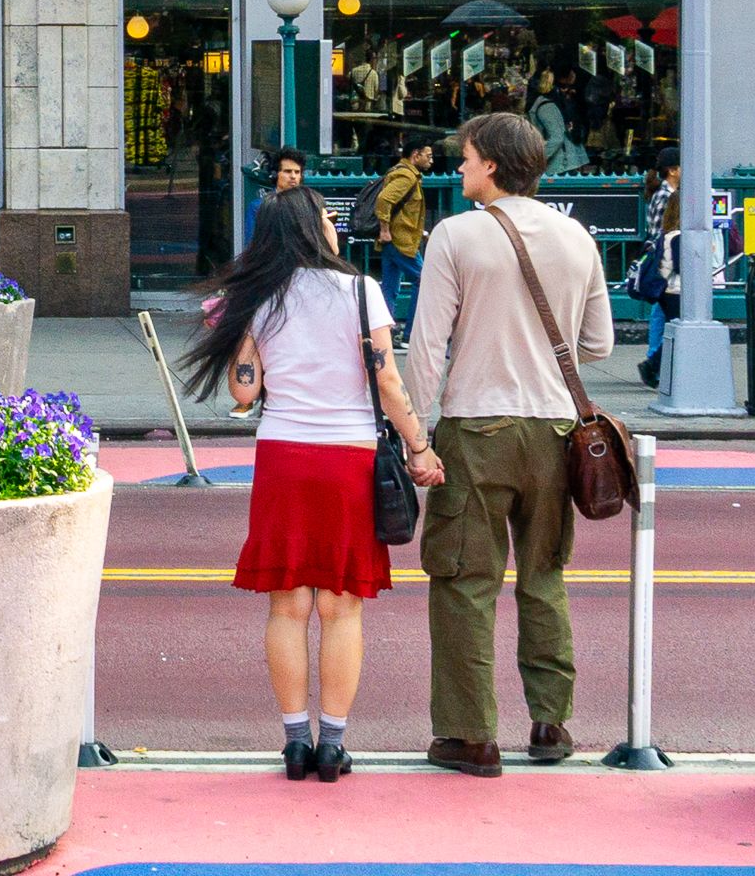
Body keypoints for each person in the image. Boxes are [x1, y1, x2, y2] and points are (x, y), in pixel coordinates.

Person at [179, 186, 442, 783]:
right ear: (308, 227)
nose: (332, 223)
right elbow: (390, 384)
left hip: (283, 458)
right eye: (325, 215)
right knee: (341, 608)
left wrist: (240, 328)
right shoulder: (360, 291)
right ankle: (333, 747)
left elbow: (245, 393)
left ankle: (295, 742)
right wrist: (420, 447)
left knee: (289, 605)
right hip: (348, 459)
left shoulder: (257, 299)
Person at [410, 112, 614, 777]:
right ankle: (551, 723)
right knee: (545, 574)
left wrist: (415, 432)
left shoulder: (455, 235)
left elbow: (428, 346)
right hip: (556, 430)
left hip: (477, 427)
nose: (460, 169)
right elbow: (597, 345)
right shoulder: (576, 235)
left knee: (465, 580)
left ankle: (471, 735)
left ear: (492, 164)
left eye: (466, 159)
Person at [371, 138, 433, 319]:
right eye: (428, 156)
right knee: (423, 281)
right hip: (400, 241)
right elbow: (384, 199)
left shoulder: (398, 171)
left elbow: (403, 210)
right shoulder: (407, 176)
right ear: (416, 155)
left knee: (389, 289)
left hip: (393, 241)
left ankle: (385, 332)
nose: (431, 160)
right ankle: (410, 334)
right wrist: (384, 230)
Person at [632, 156, 681, 388]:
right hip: (664, 264)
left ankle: (656, 362)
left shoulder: (666, 193)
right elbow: (666, 231)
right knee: (664, 316)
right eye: (681, 167)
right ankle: (655, 361)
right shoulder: (666, 196)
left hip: (662, 261)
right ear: (672, 170)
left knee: (662, 313)